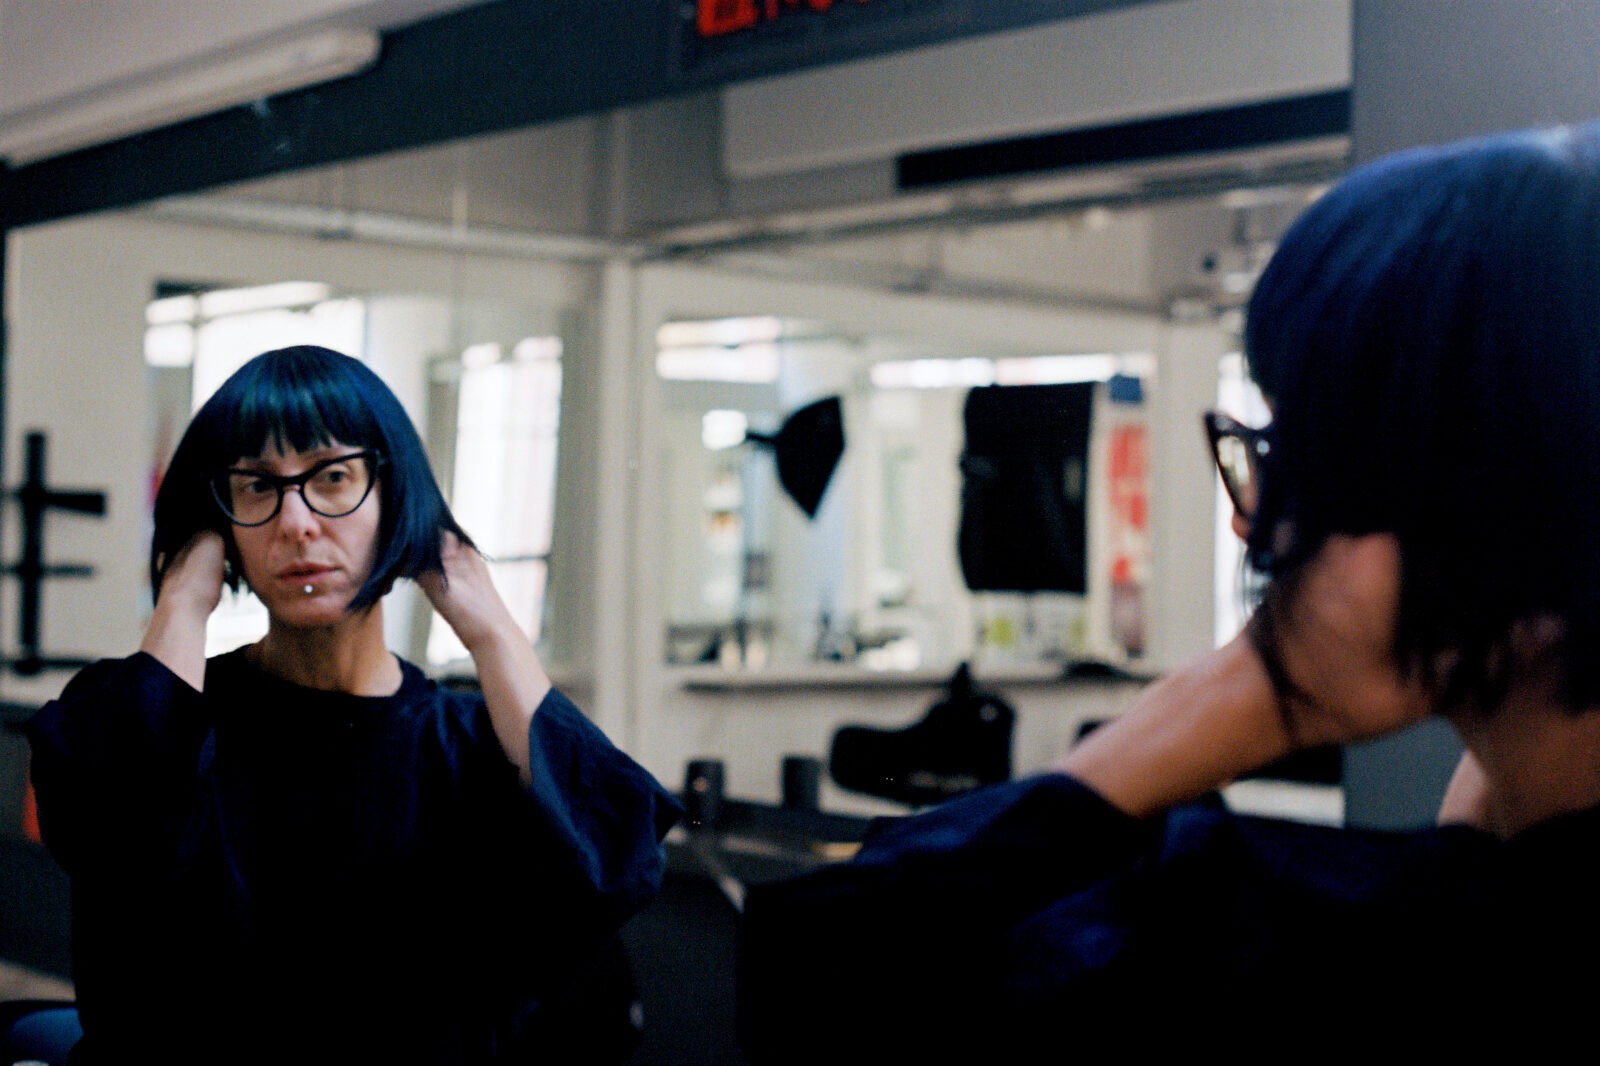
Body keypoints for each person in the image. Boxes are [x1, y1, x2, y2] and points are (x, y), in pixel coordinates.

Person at [737, 122, 1600, 1058]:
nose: (1255, 526)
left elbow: (817, 981)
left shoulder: (1301, 956)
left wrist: (1254, 689)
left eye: (1294, 456)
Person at [24, 345, 682, 1064]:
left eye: (333, 477)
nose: (296, 522)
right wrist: (183, 600)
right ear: (221, 521)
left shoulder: (470, 743)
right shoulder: (154, 718)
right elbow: (113, 844)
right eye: (257, 486)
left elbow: (617, 865)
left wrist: (492, 629)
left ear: (394, 497)